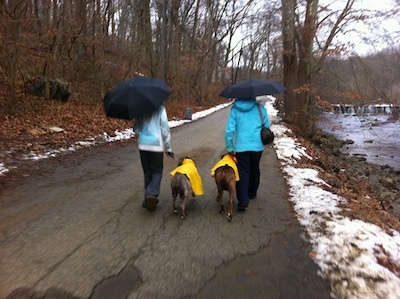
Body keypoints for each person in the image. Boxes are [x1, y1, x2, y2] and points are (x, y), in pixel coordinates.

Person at [225, 97, 271, 211]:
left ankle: (243, 201)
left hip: (241, 147)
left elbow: (229, 131)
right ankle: (252, 193)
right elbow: (267, 126)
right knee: (255, 168)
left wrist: (230, 147)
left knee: (243, 171)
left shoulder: (235, 110)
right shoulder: (260, 108)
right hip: (257, 146)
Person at [133, 105, 174, 211]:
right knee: (157, 172)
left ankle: (147, 200)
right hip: (156, 145)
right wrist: (168, 147)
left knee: (147, 173)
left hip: (143, 145)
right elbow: (165, 129)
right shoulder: (160, 108)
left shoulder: (140, 108)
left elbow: (136, 130)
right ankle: (151, 194)